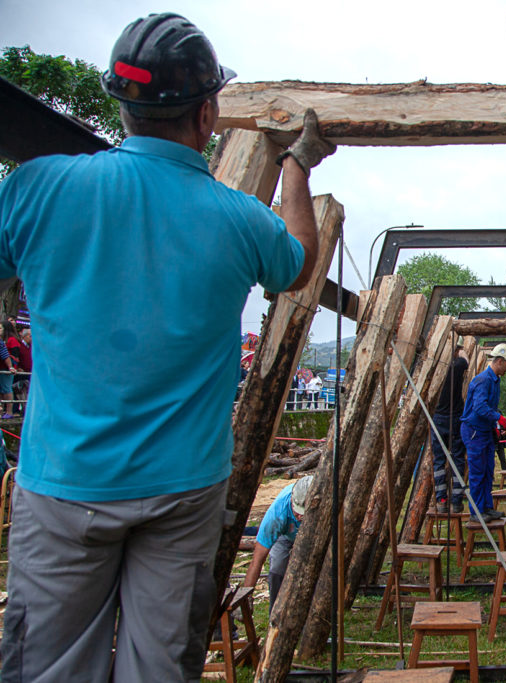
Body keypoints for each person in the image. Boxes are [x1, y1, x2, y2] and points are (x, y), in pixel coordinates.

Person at [0, 13, 334, 680]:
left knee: (45, 667)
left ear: (121, 106)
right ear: (208, 113)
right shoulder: (238, 218)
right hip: (182, 490)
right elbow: (298, 260)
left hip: (63, 483)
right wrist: (296, 167)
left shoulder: (36, 190)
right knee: (159, 668)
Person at [461, 343, 506, 521]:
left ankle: (486, 507)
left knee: (487, 470)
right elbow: (479, 407)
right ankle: (476, 511)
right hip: (474, 431)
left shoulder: (494, 380)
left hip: (484, 431)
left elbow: (487, 407)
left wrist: (494, 425)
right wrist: (498, 418)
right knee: (478, 471)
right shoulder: (483, 380)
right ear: (500, 361)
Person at [242, 476, 311, 610]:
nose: (299, 517)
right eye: (297, 512)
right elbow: (257, 560)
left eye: (303, 513)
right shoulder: (277, 513)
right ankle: (275, 613)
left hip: (315, 533)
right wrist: (246, 597)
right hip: (285, 535)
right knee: (277, 570)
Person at [432, 340, 469, 513]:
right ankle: (456, 501)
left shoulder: (435, 367)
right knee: (457, 459)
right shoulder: (457, 365)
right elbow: (465, 360)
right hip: (455, 418)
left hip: (438, 418)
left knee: (439, 461)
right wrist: (461, 350)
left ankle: (441, 500)